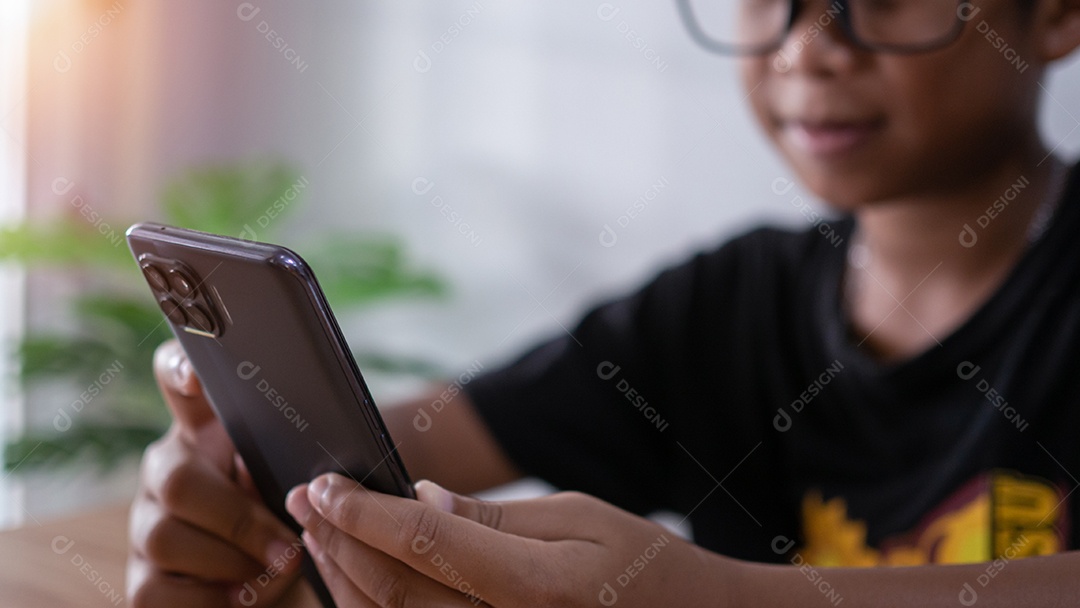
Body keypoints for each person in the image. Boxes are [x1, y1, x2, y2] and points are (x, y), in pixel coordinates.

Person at [126, 0, 1080, 605]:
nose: (808, 48)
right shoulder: (729, 303)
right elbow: (405, 444)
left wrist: (713, 601)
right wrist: (234, 481)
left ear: (1055, 15)